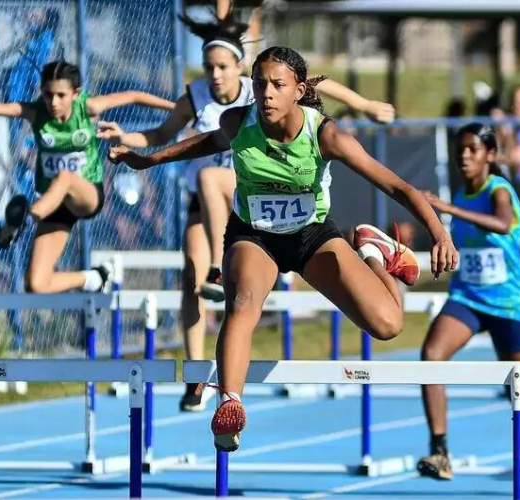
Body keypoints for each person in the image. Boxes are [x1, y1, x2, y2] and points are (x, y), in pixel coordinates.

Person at [108, 45, 457, 451]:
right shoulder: (239, 121)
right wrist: (148, 161)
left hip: (311, 236)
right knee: (243, 302)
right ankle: (230, 403)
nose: (267, 93)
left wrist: (440, 233)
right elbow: (203, 143)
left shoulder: (325, 134)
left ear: (298, 89)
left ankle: (374, 252)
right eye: (259, 84)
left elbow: (397, 185)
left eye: (277, 85)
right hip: (254, 235)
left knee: (388, 325)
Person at [96, 12, 395, 413]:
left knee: (212, 181)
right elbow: (161, 136)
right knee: (191, 276)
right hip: (219, 209)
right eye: (209, 68)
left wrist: (364, 103)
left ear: (238, 67)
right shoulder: (195, 96)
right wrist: (132, 146)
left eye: (222, 67)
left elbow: (317, 83)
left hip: (254, 199)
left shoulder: (259, 92)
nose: (216, 76)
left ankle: (223, 269)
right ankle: (199, 373)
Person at [0, 61, 175, 295]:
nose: (53, 102)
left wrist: (178, 109)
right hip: (54, 204)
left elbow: (134, 96)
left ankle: (23, 221)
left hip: (86, 195)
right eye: (48, 95)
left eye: (61, 96)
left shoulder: (88, 107)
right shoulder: (35, 111)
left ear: (75, 93)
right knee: (37, 284)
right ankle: (95, 278)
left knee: (64, 176)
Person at [418, 123, 520, 496]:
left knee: (518, 385)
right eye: (460, 149)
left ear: (490, 155)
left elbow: (503, 223)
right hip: (468, 298)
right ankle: (440, 451)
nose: (464, 156)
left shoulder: (499, 191)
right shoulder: (462, 193)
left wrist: (447, 208)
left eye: (473, 150)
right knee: (431, 354)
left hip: (508, 303)